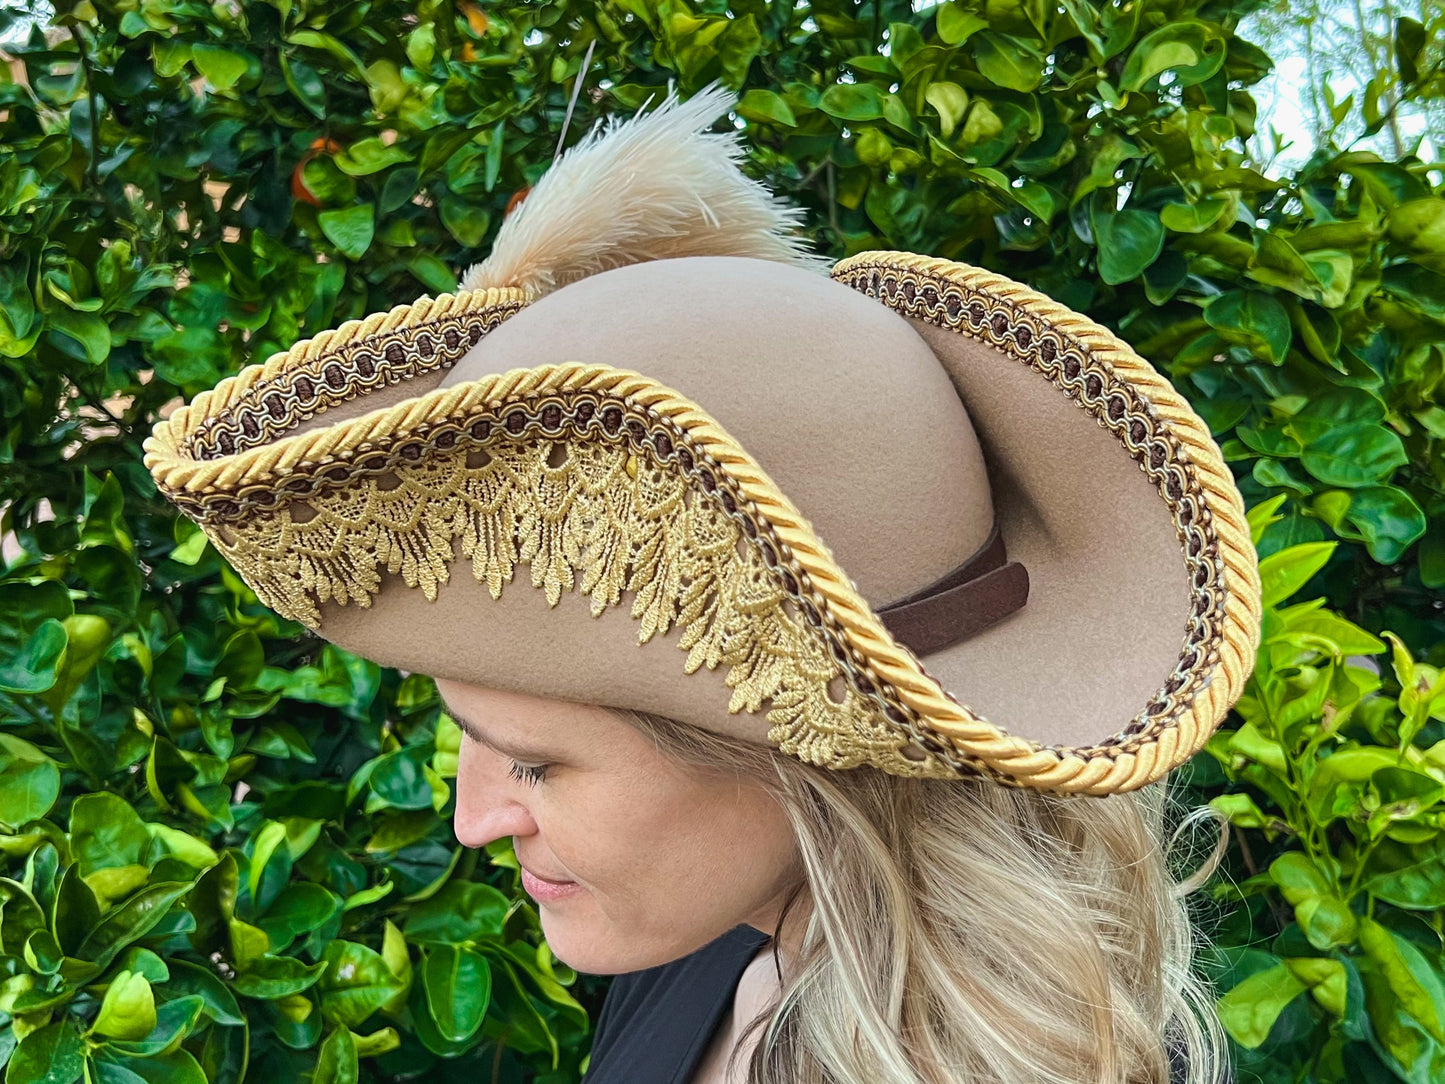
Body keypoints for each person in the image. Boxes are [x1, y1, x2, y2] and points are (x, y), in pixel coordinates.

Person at [145, 85, 1261, 1084]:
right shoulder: (712, 955)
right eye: (476, 740)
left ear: (806, 756)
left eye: (534, 761)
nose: (473, 818)